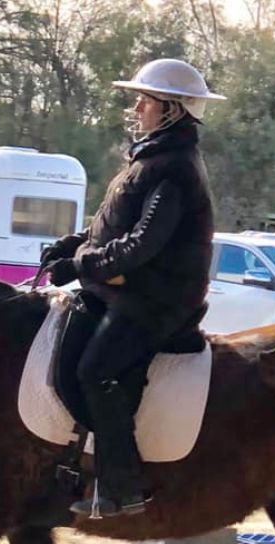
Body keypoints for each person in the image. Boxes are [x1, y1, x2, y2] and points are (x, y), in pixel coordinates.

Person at [41, 58, 225, 519]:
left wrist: (80, 265)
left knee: (96, 370)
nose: (137, 107)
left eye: (145, 100)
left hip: (156, 299)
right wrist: (73, 244)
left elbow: (141, 245)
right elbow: (112, 225)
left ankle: (123, 487)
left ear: (172, 110)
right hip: (126, 291)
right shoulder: (149, 159)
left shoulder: (174, 168)